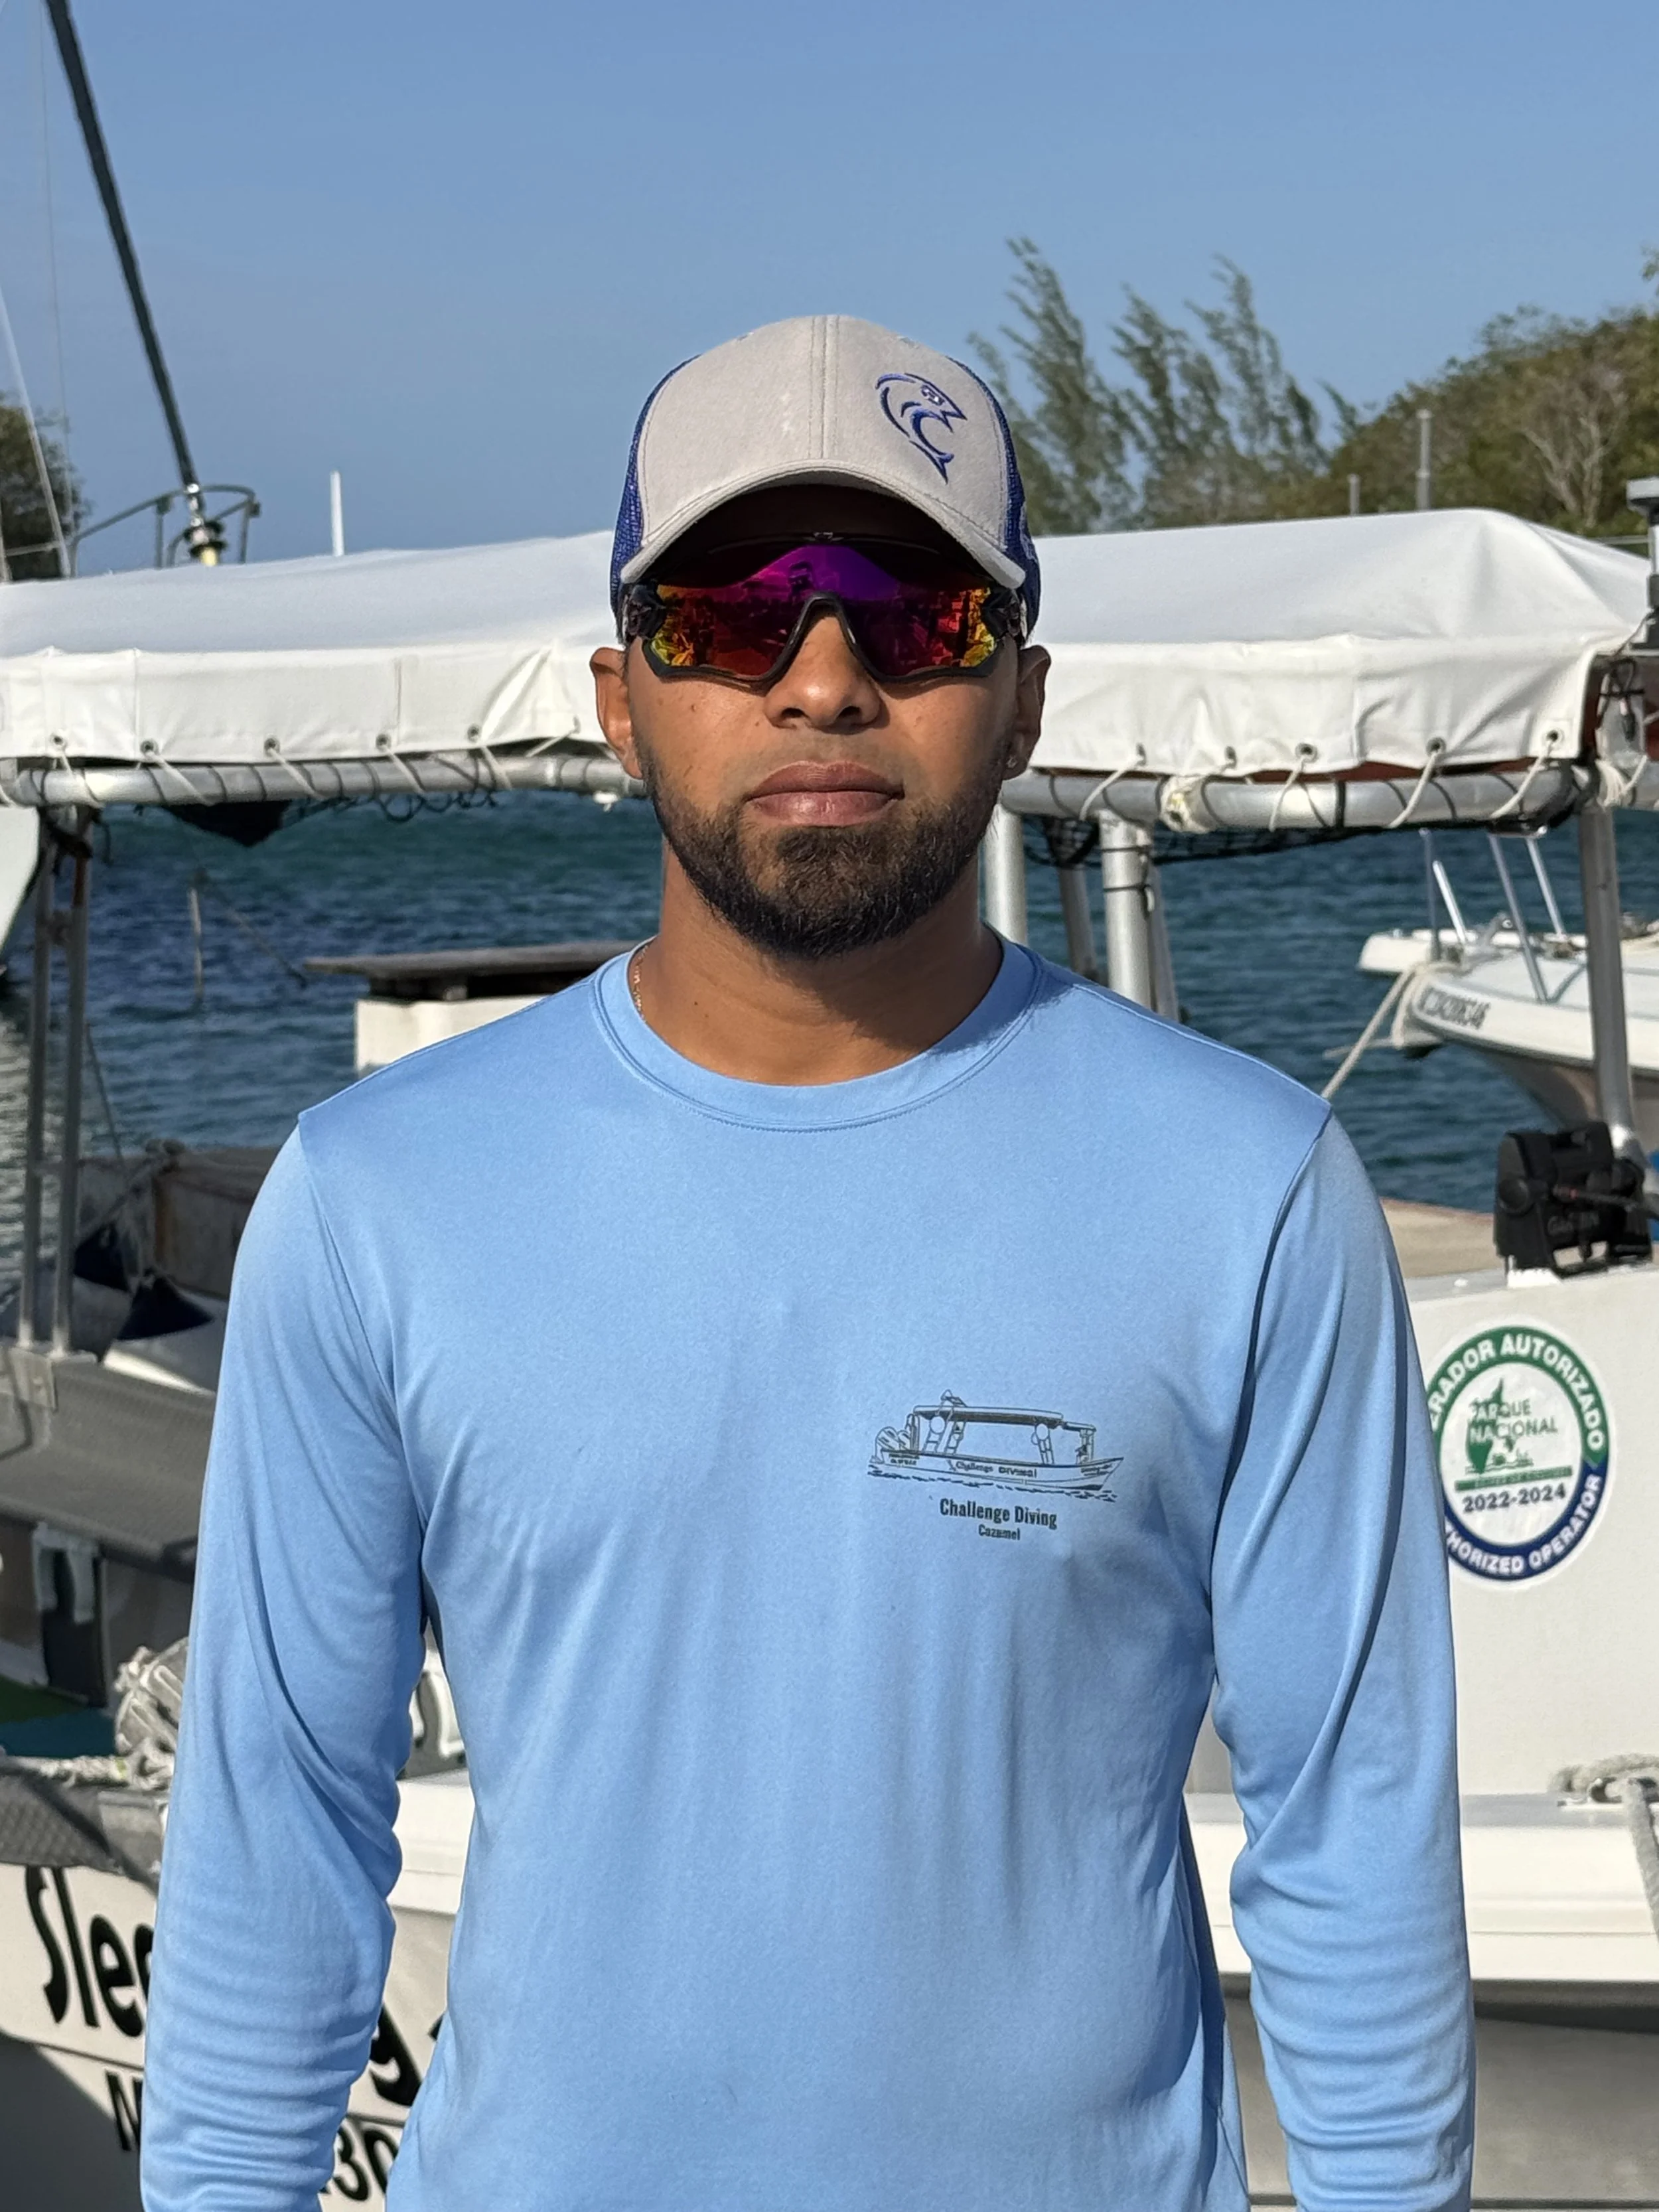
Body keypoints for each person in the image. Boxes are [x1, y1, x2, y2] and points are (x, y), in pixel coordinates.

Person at [141, 314, 1473, 2212]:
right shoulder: (379, 1198)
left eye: (914, 614)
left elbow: (1353, 1838)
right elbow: (277, 1833)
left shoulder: (1250, 1189)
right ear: (623, 696)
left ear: (1018, 695)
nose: (823, 678)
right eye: (729, 611)